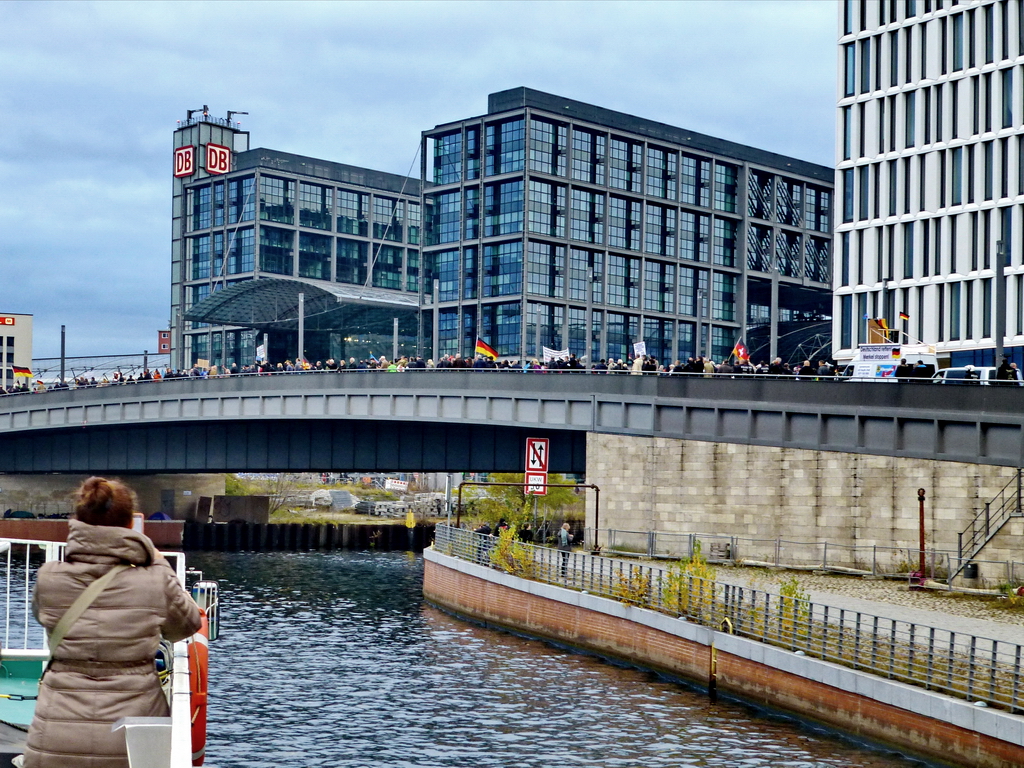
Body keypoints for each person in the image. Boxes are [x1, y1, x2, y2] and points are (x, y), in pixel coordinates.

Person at [23, 477, 202, 768]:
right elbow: (187, 625)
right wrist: (156, 559)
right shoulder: (155, 579)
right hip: (131, 737)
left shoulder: (49, 576)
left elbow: (42, 616)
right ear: (130, 524)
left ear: (77, 521)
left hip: (58, 734)